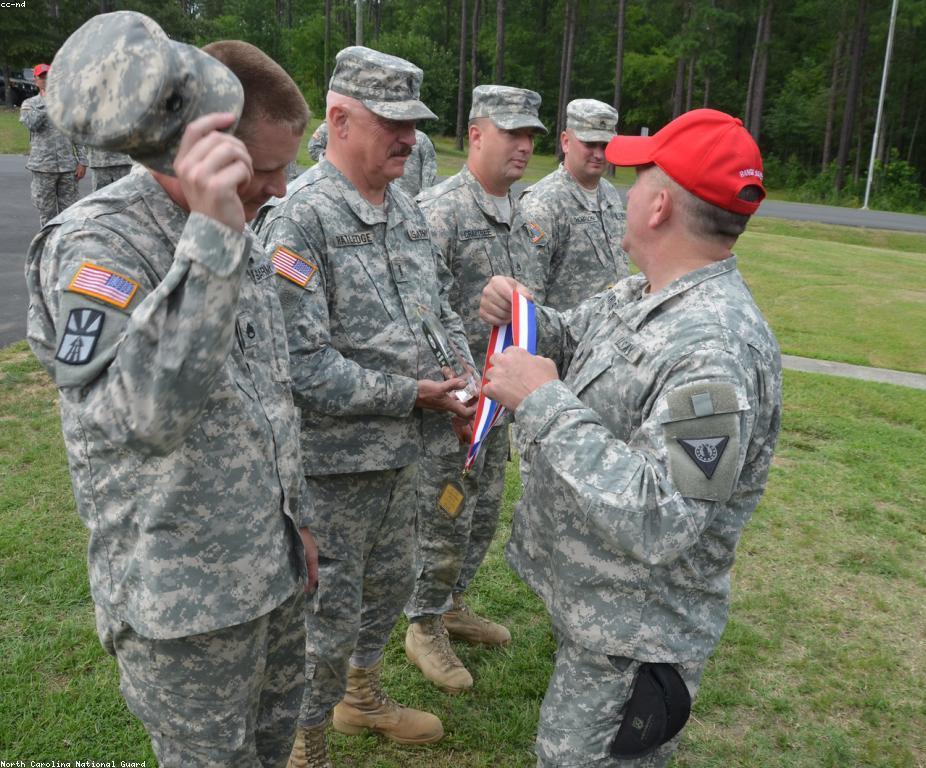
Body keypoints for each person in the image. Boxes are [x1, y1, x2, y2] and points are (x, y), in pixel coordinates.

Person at [24, 13, 317, 766]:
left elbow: (268, 394)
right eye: (266, 167)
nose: (282, 188)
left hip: (269, 572)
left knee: (274, 746)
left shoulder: (238, 226)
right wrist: (213, 239)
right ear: (202, 152)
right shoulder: (98, 246)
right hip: (183, 607)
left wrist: (297, 525)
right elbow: (145, 418)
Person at [478, 108, 782, 767]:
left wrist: (542, 401)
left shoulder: (712, 349)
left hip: (636, 637)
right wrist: (522, 312)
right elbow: (573, 337)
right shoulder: (647, 292)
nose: (624, 189)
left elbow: (663, 517)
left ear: (659, 207)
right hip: (605, 618)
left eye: (639, 176)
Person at [256, 46, 475, 764]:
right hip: (333, 472)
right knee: (324, 618)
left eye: (414, 122)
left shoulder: (406, 207)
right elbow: (301, 365)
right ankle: (306, 740)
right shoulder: (301, 220)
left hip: (404, 460)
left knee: (387, 590)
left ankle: (361, 697)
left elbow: (438, 308)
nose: (409, 137)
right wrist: (411, 394)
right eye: (392, 121)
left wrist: (466, 385)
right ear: (341, 119)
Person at [404, 84, 545, 694]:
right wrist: (453, 388)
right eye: (511, 132)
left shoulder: (527, 216)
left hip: (500, 405)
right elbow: (417, 314)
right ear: (475, 135)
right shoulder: (437, 212)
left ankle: (454, 601)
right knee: (445, 513)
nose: (523, 145)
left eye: (531, 135)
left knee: (483, 512)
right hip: (454, 408)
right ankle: (422, 622)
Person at [516, 98, 629, 310]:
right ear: (566, 141)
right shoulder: (543, 202)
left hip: (608, 336)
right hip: (566, 339)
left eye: (605, 145)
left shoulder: (610, 193)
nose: (598, 154)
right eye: (590, 144)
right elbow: (530, 294)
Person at [19, 62, 85, 226]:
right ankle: (47, 246)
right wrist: (46, 103)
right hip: (43, 168)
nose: (46, 80)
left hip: (67, 167)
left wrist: (83, 161)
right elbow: (32, 124)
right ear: (35, 80)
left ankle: (65, 245)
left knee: (69, 212)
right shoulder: (30, 104)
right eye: (42, 77)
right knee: (47, 213)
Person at [309, 120, 437, 196]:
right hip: (353, 191)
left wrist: (424, 196)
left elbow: (429, 168)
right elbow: (313, 147)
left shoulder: (422, 139)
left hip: (410, 197)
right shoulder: (334, 125)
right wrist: (339, 166)